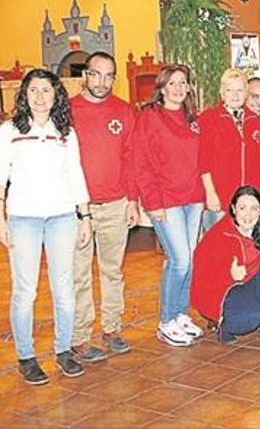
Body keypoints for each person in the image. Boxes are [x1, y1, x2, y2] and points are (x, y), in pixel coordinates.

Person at [0, 69, 92, 384]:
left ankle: (64, 350)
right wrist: (1, 219)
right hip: (23, 217)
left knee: (64, 288)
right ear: (25, 94)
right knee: (25, 290)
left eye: (46, 91)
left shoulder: (66, 132)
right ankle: (26, 356)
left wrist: (85, 217)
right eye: (34, 90)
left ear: (56, 97)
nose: (40, 97)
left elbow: (75, 173)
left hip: (62, 217)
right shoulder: (9, 130)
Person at [69, 52, 138, 362]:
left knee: (112, 271)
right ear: (86, 74)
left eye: (109, 75)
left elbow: (131, 159)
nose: (102, 81)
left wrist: (132, 200)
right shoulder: (68, 110)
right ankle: (80, 337)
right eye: (96, 74)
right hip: (76, 208)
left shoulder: (123, 111)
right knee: (78, 274)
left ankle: (112, 329)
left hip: (115, 204)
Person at [132, 64, 205, 347]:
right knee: (179, 260)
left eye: (183, 83)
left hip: (193, 198)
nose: (178, 88)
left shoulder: (192, 118)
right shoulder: (150, 116)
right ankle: (166, 321)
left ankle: (180, 314)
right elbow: (142, 161)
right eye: (172, 83)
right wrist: (153, 202)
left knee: (190, 259)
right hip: (165, 200)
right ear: (162, 87)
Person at [192, 186, 260, 345]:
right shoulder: (219, 237)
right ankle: (225, 326)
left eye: (254, 208)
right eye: (242, 208)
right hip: (223, 293)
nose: (248, 215)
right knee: (250, 319)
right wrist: (229, 275)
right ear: (233, 209)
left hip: (251, 282)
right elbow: (202, 280)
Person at [198, 68, 260, 231]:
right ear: (222, 92)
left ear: (245, 92)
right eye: (229, 90)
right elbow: (203, 161)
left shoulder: (255, 121)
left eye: (239, 90)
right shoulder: (209, 118)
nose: (235, 95)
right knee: (219, 247)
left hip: (249, 201)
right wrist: (210, 193)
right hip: (221, 197)